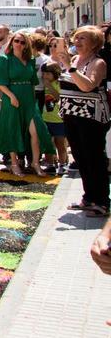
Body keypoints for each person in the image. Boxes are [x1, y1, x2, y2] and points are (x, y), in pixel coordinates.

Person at [61, 25, 109, 217]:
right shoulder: (74, 59)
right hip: (71, 114)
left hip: (91, 116)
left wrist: (70, 68)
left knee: (94, 158)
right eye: (77, 37)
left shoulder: (98, 63)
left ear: (94, 43)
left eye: (83, 38)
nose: (77, 41)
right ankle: (89, 197)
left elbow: (88, 86)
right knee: (80, 157)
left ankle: (102, 202)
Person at [0, 31, 50, 177]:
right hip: (12, 97)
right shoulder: (5, 59)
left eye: (23, 42)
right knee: (13, 130)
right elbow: (0, 84)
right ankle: (14, 163)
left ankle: (35, 163)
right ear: (12, 42)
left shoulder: (30, 60)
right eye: (16, 41)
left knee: (35, 132)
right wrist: (11, 97)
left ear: (26, 45)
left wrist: (33, 101)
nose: (19, 44)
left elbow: (32, 83)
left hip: (28, 99)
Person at [39, 62, 68, 175]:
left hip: (59, 120)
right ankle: (50, 164)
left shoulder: (59, 84)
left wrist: (49, 87)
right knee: (48, 143)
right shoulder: (44, 84)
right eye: (43, 74)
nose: (45, 76)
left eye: (48, 74)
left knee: (60, 143)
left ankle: (62, 164)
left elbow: (59, 97)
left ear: (55, 73)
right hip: (46, 118)